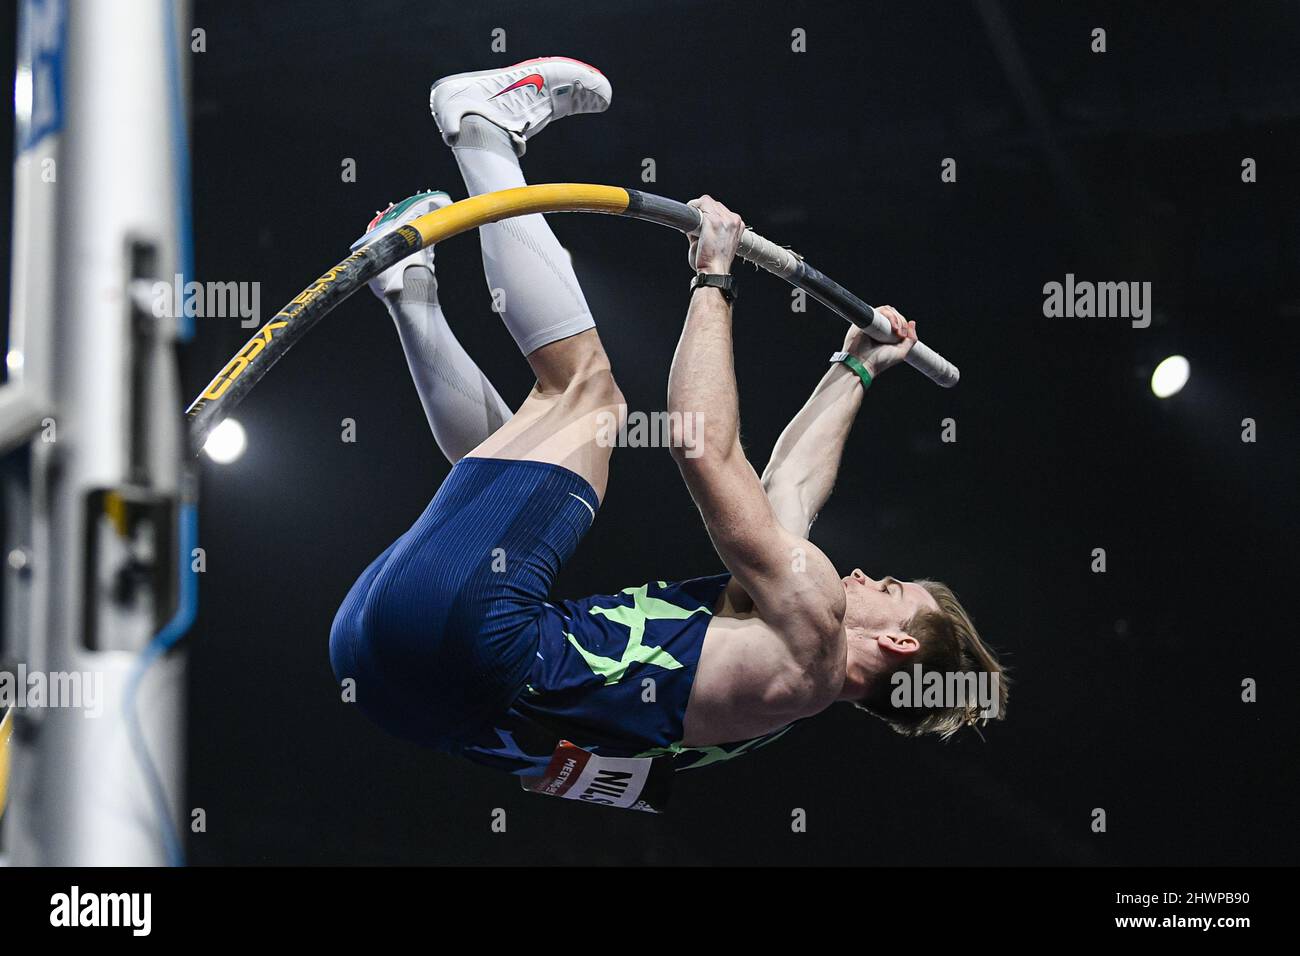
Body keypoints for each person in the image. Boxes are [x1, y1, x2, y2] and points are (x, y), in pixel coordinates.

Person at [329, 57, 1007, 809]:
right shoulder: (771, 698)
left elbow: (702, 448)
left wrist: (712, 279)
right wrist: (857, 370)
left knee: (586, 399)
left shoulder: (812, 616)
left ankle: (482, 130)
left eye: (887, 588)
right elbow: (791, 487)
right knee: (523, 451)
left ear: (899, 643)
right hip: (393, 673)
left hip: (476, 643)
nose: (863, 576)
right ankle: (407, 292)